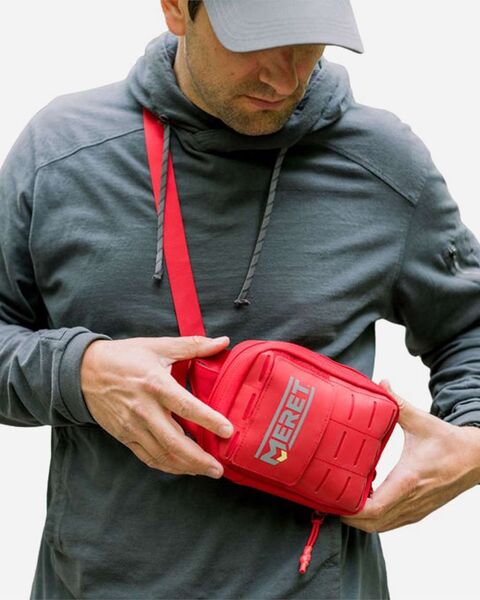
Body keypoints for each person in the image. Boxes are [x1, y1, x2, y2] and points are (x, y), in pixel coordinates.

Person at [1, 0, 479, 597]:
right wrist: (80, 373)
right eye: (253, 42)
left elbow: (467, 327)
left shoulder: (384, 163)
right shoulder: (62, 152)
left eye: (307, 45)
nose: (284, 78)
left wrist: (471, 441)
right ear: (176, 10)